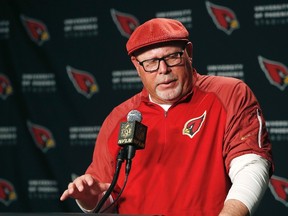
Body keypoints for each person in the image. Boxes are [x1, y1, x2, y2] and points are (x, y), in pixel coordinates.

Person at [60, 18, 273, 216]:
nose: (163, 70)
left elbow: (251, 166)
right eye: (151, 63)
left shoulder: (229, 93)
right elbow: (109, 196)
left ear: (188, 52)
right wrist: (90, 199)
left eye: (172, 57)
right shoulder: (120, 117)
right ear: (137, 66)